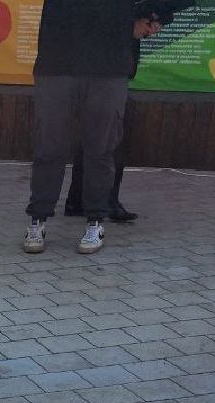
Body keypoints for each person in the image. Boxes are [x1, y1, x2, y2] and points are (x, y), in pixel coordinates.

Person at [21, 0, 139, 256]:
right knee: (48, 148)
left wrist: (156, 16)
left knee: (100, 150)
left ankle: (95, 222)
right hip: (57, 63)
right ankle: (38, 220)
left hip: (109, 65)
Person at [64, 1, 176, 223]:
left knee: (97, 136)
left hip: (102, 62)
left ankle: (80, 200)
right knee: (108, 138)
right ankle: (103, 201)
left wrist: (155, 17)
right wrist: (141, 19)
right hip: (106, 64)